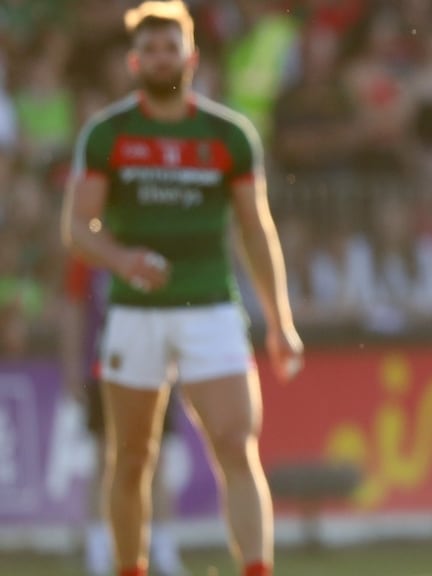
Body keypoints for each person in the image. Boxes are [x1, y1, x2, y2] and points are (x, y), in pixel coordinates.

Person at [60, 2, 304, 576]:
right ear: (133, 61)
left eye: (171, 47)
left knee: (236, 443)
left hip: (212, 309)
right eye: (150, 49)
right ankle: (129, 567)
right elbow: (76, 228)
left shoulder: (228, 135)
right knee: (131, 458)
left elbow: (255, 228)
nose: (161, 58)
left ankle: (256, 568)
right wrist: (122, 258)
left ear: (191, 57)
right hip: (134, 312)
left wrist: (280, 321)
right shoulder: (108, 134)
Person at [60, 257, 187, 576]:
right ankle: (99, 549)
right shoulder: (88, 257)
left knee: (155, 459)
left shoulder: (153, 243)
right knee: (105, 458)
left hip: (155, 367)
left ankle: (163, 549)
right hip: (103, 369)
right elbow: (75, 308)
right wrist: (73, 367)